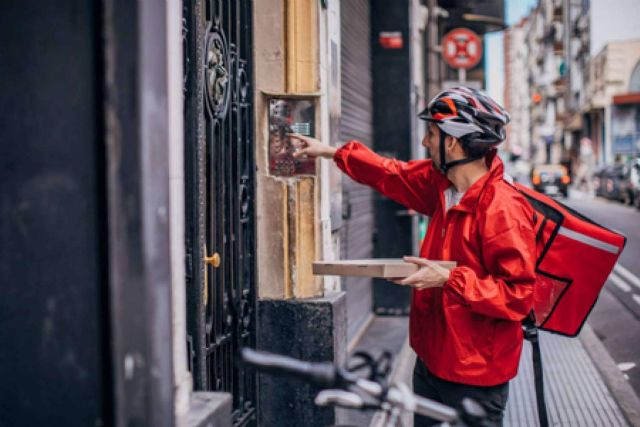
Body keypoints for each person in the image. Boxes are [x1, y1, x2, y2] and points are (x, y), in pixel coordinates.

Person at [290, 87, 537, 426]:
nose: (424, 143)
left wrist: (449, 278)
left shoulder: (502, 208)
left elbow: (519, 295)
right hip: (431, 358)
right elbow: (391, 173)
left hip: (476, 373)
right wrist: (332, 153)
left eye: (431, 134)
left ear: (452, 142)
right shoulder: (442, 186)